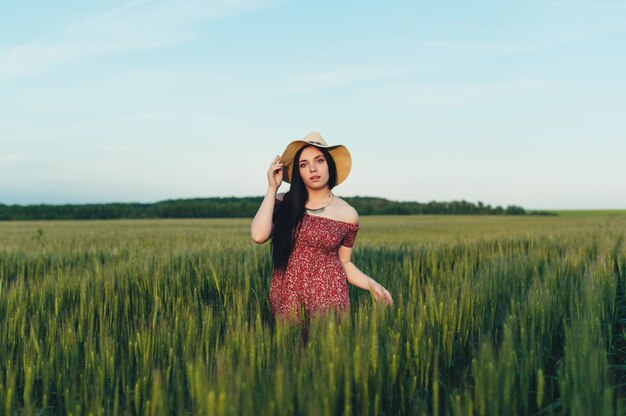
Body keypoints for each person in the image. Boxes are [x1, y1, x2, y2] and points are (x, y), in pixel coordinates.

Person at [251, 132, 393, 322]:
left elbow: (345, 263)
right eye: (303, 164)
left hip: (330, 298)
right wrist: (271, 189)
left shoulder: (348, 214)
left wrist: (372, 284)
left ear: (329, 165)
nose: (312, 169)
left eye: (319, 161)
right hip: (288, 297)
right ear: (298, 172)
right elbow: (259, 235)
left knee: (327, 350)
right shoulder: (283, 203)